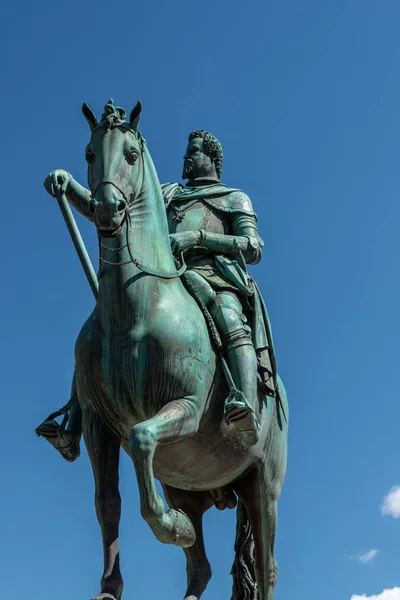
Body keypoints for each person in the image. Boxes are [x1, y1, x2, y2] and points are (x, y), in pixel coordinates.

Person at [36, 129, 276, 458]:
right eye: (186, 152)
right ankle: (72, 425)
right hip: (160, 276)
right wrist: (70, 185)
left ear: (211, 158)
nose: (185, 158)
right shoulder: (167, 194)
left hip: (213, 276)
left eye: (193, 152)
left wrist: (198, 238)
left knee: (231, 321)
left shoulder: (234, 198)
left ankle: (244, 407)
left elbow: (253, 247)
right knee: (98, 330)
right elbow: (108, 211)